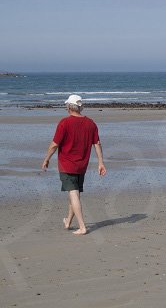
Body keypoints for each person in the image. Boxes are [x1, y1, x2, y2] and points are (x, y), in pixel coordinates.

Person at [41, 94, 106, 235]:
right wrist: (101, 162)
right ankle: (68, 222)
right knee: (74, 192)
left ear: (69, 107)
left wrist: (46, 158)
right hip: (82, 165)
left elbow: (54, 145)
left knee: (73, 193)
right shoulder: (91, 123)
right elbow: (97, 144)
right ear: (80, 107)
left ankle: (82, 227)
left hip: (67, 164)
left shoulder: (65, 123)